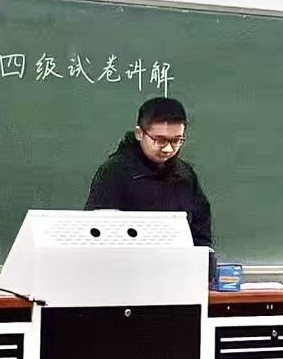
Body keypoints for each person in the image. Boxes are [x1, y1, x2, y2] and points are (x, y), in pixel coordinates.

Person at [85, 97, 212, 248]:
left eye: (176, 141)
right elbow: (97, 233)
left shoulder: (185, 174)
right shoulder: (114, 173)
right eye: (160, 140)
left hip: (176, 261)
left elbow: (201, 235)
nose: (168, 149)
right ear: (140, 133)